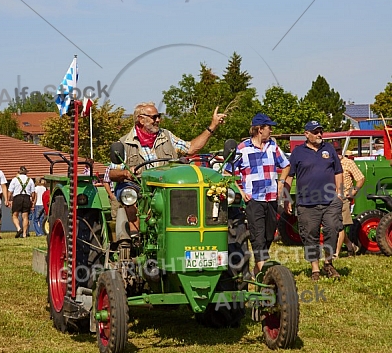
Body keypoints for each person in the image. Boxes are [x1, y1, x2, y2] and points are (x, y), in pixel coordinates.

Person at [109, 101, 226, 240]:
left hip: (167, 186)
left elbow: (191, 148)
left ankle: (192, 235)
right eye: (154, 117)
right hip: (140, 186)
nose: (158, 120)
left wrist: (212, 126)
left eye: (159, 116)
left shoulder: (166, 136)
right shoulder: (125, 143)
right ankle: (136, 238)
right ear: (141, 119)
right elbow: (112, 173)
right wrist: (126, 173)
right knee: (129, 195)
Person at [224, 112, 290, 276]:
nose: (271, 131)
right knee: (258, 235)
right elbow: (227, 173)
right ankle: (265, 273)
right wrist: (240, 191)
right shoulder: (242, 148)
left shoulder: (273, 147)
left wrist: (281, 183)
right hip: (254, 199)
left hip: (271, 198)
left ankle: (258, 266)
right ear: (260, 129)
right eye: (269, 127)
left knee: (269, 235)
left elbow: (286, 165)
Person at [284, 121, 343, 281]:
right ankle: (315, 269)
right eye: (315, 132)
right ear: (306, 134)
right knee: (310, 235)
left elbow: (338, 171)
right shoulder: (298, 153)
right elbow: (289, 176)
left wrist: (340, 193)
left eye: (320, 131)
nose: (319, 134)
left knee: (332, 229)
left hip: (330, 200)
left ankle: (328, 263)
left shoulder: (329, 149)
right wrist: (286, 197)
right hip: (306, 203)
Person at [334, 144, 364, 258]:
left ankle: (336, 253)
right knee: (335, 225)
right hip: (332, 197)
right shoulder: (330, 163)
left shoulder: (348, 163)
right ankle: (350, 245)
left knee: (340, 226)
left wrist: (353, 192)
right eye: (335, 150)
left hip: (344, 197)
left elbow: (360, 178)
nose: (337, 152)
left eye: (338, 150)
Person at [8, 166, 36, 239]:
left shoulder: (15, 179)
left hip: (17, 197)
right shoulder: (30, 180)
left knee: (15, 215)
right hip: (26, 197)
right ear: (26, 173)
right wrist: (32, 201)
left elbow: (10, 191)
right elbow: (33, 193)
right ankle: (24, 234)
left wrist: (8, 200)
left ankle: (18, 228)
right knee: (25, 217)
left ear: (19, 172)